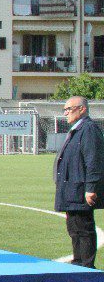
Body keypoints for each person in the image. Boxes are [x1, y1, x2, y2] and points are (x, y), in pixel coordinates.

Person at [54, 96, 104, 268]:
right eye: (65, 110)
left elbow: (94, 161)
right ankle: (78, 262)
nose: (66, 113)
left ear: (81, 109)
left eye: (69, 109)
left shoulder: (88, 129)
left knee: (83, 229)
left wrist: (91, 188)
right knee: (74, 229)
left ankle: (86, 266)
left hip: (80, 189)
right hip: (71, 190)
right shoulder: (77, 129)